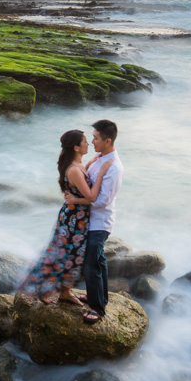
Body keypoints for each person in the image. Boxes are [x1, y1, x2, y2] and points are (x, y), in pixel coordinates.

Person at [18, 129, 112, 305]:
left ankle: (64, 292)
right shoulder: (74, 170)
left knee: (73, 256)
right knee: (62, 255)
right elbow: (91, 197)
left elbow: (83, 179)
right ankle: (44, 289)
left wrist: (94, 161)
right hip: (73, 219)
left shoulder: (78, 166)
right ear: (76, 147)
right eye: (85, 141)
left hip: (77, 217)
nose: (88, 143)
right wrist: (100, 174)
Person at [64, 119, 122, 324]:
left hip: (100, 223)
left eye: (96, 138)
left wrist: (76, 200)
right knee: (99, 261)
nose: (93, 142)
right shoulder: (99, 158)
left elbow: (102, 201)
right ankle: (100, 296)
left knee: (91, 264)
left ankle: (98, 309)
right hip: (90, 220)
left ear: (107, 140)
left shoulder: (113, 167)